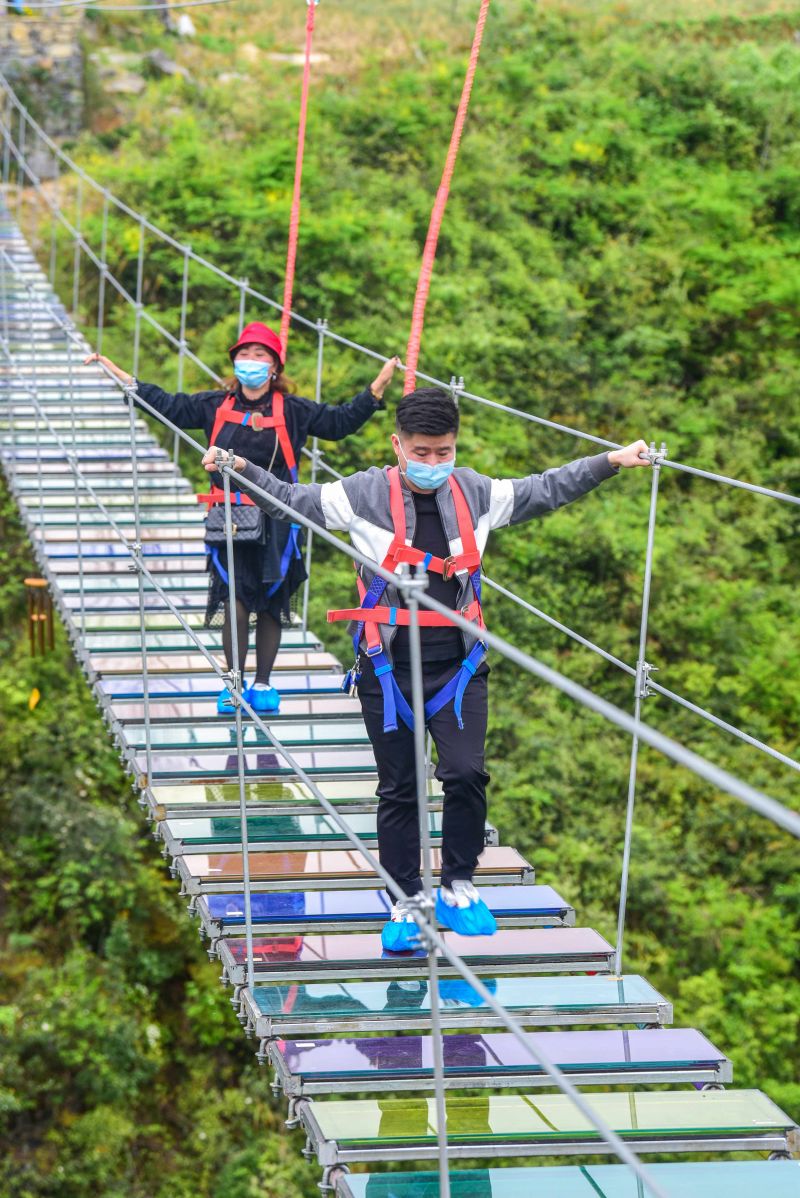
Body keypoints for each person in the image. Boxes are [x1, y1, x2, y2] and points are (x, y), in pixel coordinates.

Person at [201, 386, 650, 947]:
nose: (434, 464)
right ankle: (405, 901)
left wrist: (609, 461)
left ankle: (458, 882)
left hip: (458, 666)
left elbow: (546, 489)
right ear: (398, 446)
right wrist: (238, 466)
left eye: (444, 452)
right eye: (422, 453)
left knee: (465, 774)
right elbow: (296, 500)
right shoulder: (364, 494)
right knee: (401, 788)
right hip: (386, 667)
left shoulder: (476, 493)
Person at [85, 325, 399, 715]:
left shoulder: (293, 410)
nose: (250, 361)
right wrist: (123, 378)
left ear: (274, 366)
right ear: (235, 362)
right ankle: (233, 683)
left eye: (260, 355)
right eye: (244, 354)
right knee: (235, 599)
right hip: (228, 517)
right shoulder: (214, 406)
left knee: (271, 602)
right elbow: (168, 405)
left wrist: (376, 390)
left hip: (279, 519)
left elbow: (338, 424)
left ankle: (263, 683)